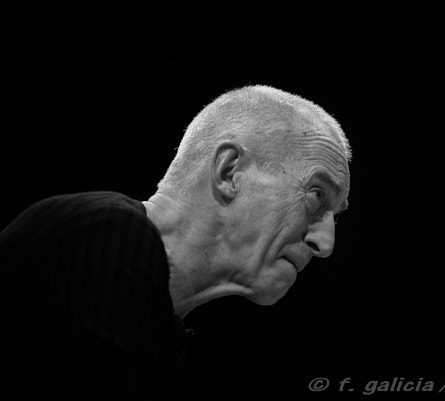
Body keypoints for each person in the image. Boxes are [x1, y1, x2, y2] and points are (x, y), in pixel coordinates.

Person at [0, 85, 351, 400]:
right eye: (317, 195)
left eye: (335, 216)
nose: (325, 243)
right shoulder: (104, 231)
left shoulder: (161, 326)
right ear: (229, 171)